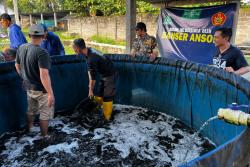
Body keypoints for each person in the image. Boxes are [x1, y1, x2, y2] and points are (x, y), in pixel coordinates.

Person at [15, 24, 54, 137]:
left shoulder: (21, 47)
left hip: (28, 87)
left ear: (29, 35)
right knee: (45, 114)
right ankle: (44, 136)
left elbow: (17, 65)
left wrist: (24, 78)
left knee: (31, 110)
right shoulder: (42, 53)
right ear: (43, 36)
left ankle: (30, 129)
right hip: (41, 90)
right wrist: (50, 94)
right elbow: (44, 75)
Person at [72, 38, 116, 121]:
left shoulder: (91, 58)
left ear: (78, 48)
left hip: (110, 74)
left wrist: (90, 90)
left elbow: (93, 78)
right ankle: (96, 109)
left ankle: (107, 118)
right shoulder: (88, 51)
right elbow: (90, 72)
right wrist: (90, 89)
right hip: (104, 74)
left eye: (73, 47)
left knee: (107, 96)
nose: (73, 49)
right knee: (99, 94)